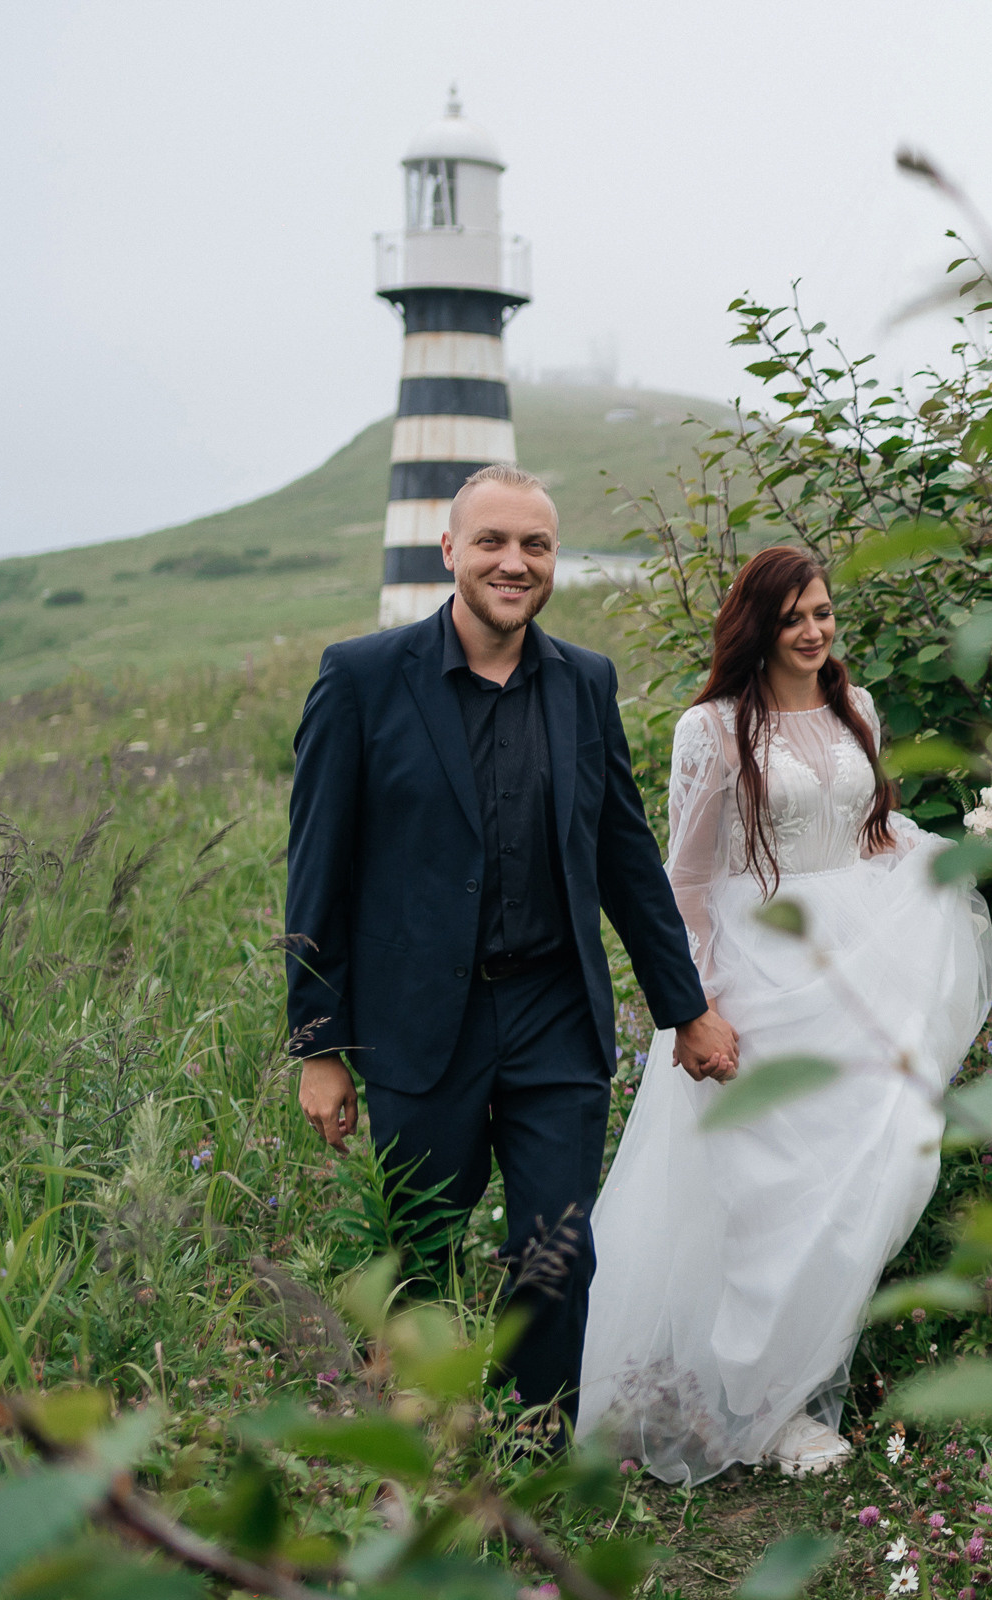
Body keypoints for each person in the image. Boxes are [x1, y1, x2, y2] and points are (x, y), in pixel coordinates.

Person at [286, 463, 741, 1426]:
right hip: (417, 1025)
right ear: (450, 550)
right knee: (421, 1255)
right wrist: (319, 1045)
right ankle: (427, 1461)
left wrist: (686, 1009)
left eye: (535, 545)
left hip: (552, 1016)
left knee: (558, 1255)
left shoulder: (585, 683)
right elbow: (316, 873)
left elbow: (625, 857)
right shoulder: (363, 678)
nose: (514, 561)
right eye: (492, 541)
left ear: (553, 561)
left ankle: (536, 1467)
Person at [577, 545, 992, 1483]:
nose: (814, 632)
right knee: (767, 1192)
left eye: (824, 613)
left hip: (859, 966)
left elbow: (871, 830)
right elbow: (684, 875)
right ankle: (763, 1405)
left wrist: (957, 858)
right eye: (794, 616)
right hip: (756, 967)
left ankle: (804, 1362)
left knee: (876, 1169)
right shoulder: (712, 728)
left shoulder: (857, 710)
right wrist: (696, 1003)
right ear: (756, 625)